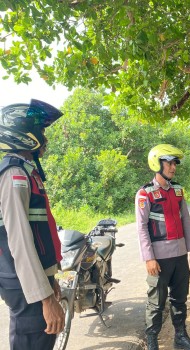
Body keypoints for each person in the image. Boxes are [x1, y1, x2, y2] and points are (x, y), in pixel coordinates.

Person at [0, 99, 65, 350]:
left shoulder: (27, 171)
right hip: (24, 287)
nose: (45, 138)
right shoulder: (14, 173)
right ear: (25, 132)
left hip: (32, 283)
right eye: (42, 130)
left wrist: (50, 279)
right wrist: (44, 297)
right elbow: (20, 240)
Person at [135, 144, 190, 350]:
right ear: (157, 164)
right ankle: (152, 343)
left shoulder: (178, 191)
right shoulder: (145, 194)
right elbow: (141, 228)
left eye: (174, 163)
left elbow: (186, 221)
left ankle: (180, 337)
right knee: (156, 303)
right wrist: (149, 258)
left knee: (179, 299)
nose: (173, 167)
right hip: (159, 259)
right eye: (169, 163)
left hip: (180, 255)